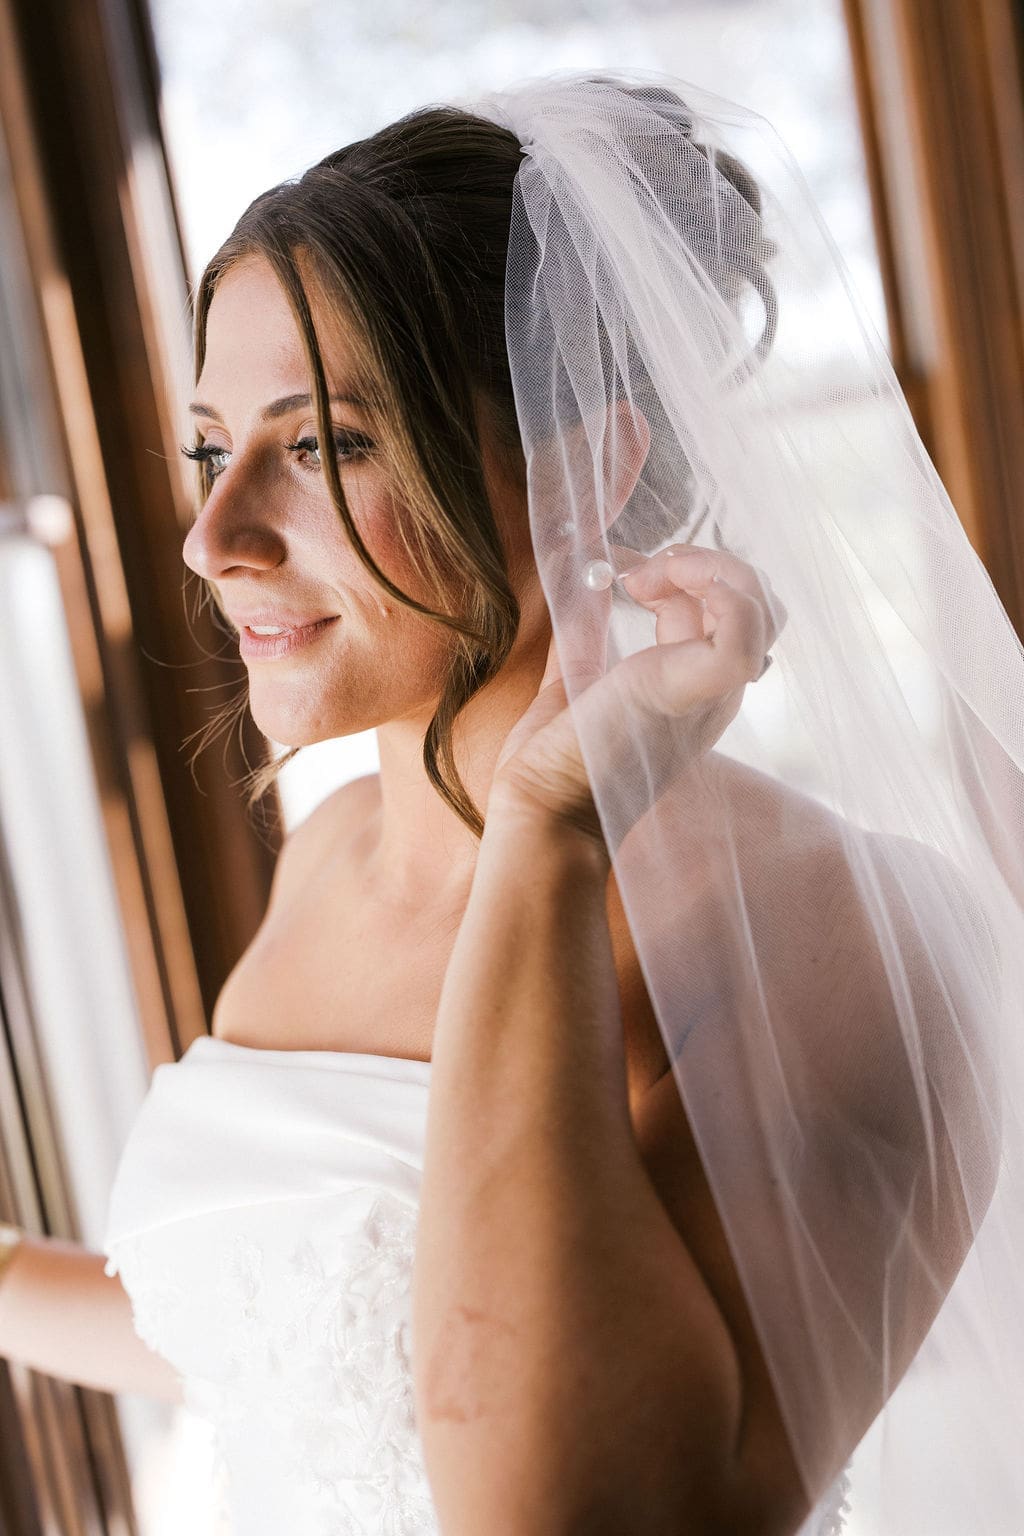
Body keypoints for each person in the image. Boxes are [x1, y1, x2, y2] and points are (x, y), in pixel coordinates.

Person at [2, 69, 1021, 1535]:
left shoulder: (844, 931)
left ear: (583, 470)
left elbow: (563, 1503)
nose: (210, 539)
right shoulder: (333, 857)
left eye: (327, 445)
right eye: (214, 450)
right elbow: (282, 1336)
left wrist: (552, 830)